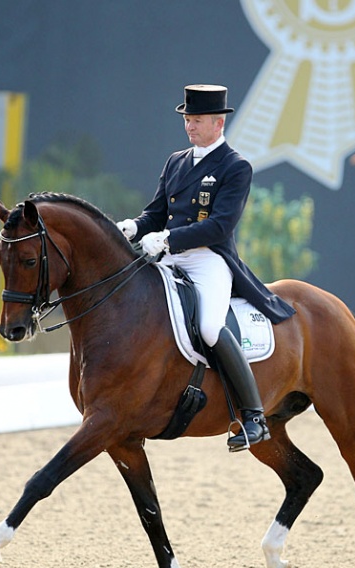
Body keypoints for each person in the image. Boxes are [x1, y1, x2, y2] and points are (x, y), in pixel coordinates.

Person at [117, 84, 295, 450]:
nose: (189, 127)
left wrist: (169, 239)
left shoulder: (235, 166)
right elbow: (156, 213)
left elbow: (220, 225)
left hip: (207, 258)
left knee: (211, 327)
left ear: (218, 123)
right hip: (167, 254)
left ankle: (254, 417)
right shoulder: (176, 160)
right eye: (187, 119)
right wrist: (135, 226)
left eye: (196, 120)